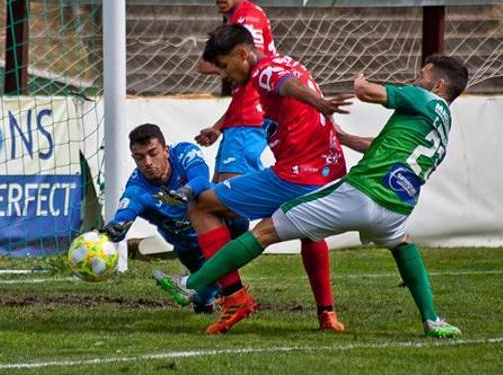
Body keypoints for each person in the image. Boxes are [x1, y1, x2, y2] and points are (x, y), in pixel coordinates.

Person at [175, 56, 468, 338]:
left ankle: (192, 284)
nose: (414, 80)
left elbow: (366, 92)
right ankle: (432, 319)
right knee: (402, 245)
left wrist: (361, 81)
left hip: (361, 192)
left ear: (439, 86)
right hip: (398, 208)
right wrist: (340, 138)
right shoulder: (442, 125)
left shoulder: (422, 98)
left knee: (264, 231)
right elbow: (377, 147)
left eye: (421, 76)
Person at [154, 23, 352, 335]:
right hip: (326, 173)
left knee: (201, 205)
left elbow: (286, 85)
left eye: (223, 66)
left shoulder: (265, 72)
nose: (222, 74)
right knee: (310, 231)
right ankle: (327, 314)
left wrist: (320, 104)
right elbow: (285, 85)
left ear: (243, 54)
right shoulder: (285, 62)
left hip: (294, 177)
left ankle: (233, 297)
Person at [99, 123, 250, 313]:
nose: (147, 162)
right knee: (208, 293)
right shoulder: (137, 189)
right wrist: (115, 228)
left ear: (166, 151)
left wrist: (185, 192)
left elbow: (201, 179)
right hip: (191, 250)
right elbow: (125, 215)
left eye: (153, 153)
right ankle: (204, 296)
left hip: (225, 226)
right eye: (140, 157)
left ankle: (204, 287)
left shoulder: (184, 153)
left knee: (237, 215)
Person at [194, 0, 276, 183]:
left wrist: (212, 63)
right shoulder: (240, 18)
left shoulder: (247, 19)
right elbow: (247, 84)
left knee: (226, 199)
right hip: (240, 121)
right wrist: (220, 126)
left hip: (248, 123)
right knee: (217, 193)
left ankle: (280, 217)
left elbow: (254, 65)